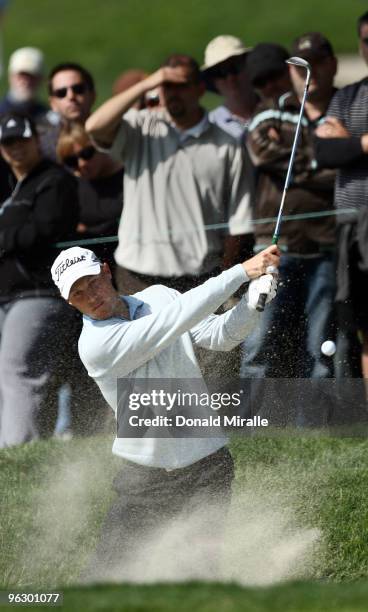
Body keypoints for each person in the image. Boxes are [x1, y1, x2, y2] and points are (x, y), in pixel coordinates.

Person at [50, 243, 280, 580]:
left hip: (208, 467)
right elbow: (172, 321)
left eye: (92, 282)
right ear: (70, 302)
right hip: (145, 478)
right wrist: (242, 273)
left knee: (198, 574)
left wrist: (252, 303)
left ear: (106, 271)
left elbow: (221, 335)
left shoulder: (160, 296)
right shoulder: (94, 345)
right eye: (79, 293)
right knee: (104, 580)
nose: (92, 296)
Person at [85, 54, 253, 296]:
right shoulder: (141, 127)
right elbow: (95, 126)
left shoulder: (227, 146)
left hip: (200, 280)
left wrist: (225, 283)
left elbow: (238, 223)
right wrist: (146, 83)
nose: (172, 93)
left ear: (199, 89)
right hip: (137, 277)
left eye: (181, 85)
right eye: (166, 85)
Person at [241, 33, 338, 423]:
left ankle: (311, 427)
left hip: (323, 244)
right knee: (259, 342)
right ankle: (245, 424)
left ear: (292, 74)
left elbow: (341, 167)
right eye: (260, 82)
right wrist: (317, 160)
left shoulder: (322, 109)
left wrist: (307, 159)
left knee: (320, 345)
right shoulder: (267, 114)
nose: (270, 87)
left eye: (275, 78)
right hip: (275, 246)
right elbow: (261, 150)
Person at [0, 113, 80, 447]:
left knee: (19, 368)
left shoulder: (54, 180)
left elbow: (43, 231)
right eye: (8, 142)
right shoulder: (7, 183)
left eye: (22, 140)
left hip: (39, 293)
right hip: (7, 295)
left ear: (36, 141)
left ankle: (17, 451)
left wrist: (5, 238)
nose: (16, 148)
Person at [314, 11, 368, 381]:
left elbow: (339, 149)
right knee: (365, 329)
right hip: (353, 228)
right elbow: (325, 153)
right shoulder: (349, 96)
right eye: (366, 41)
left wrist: (350, 142)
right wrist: (364, 142)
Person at [57, 122, 123, 271]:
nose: (81, 164)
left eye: (86, 154)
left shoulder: (129, 176)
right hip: (91, 267)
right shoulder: (70, 186)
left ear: (100, 146)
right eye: (71, 161)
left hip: (128, 262)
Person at [201, 35, 257, 142]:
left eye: (235, 67)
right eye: (220, 73)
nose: (230, 78)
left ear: (249, 67)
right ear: (213, 81)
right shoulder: (210, 127)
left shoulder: (278, 109)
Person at [39, 62, 96, 160]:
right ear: (52, 103)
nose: (71, 96)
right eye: (61, 93)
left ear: (92, 95)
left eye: (78, 89)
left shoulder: (112, 134)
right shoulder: (43, 148)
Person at [0, 47, 47, 121]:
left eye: (31, 77)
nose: (25, 82)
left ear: (40, 79)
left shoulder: (48, 117)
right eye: (21, 76)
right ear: (10, 77)